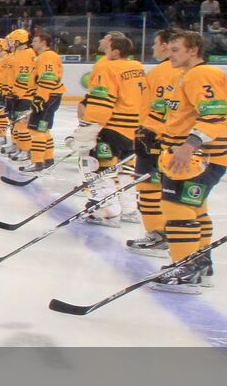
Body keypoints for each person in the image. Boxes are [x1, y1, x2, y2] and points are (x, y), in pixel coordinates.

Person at [148, 30, 227, 292]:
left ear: (193, 50)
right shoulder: (186, 75)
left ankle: (186, 267)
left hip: (200, 156)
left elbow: (215, 115)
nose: (169, 54)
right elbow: (181, 117)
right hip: (195, 155)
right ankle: (200, 264)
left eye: (175, 50)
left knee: (176, 206)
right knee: (195, 208)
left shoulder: (201, 74)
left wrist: (189, 145)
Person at [69, 31, 145, 227]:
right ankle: (129, 209)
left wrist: (87, 128)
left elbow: (101, 103)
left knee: (99, 168)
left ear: (116, 51)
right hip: (134, 129)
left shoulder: (108, 68)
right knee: (127, 170)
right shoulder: (137, 67)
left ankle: (107, 213)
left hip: (112, 128)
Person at [127, 29, 181, 255]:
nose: (152, 47)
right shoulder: (183, 71)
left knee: (148, 187)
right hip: (172, 140)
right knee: (167, 190)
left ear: (166, 46)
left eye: (155, 43)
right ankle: (167, 235)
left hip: (156, 139)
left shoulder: (163, 72)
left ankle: (158, 234)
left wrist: (148, 133)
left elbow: (160, 108)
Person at [24, 30, 65, 172]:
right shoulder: (44, 56)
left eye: (35, 41)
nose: (32, 43)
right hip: (50, 96)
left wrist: (40, 98)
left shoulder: (47, 56)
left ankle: (37, 163)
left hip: (47, 97)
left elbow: (48, 77)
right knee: (43, 129)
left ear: (43, 42)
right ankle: (48, 159)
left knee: (36, 129)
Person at [4, 30, 36, 163]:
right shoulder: (17, 53)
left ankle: (26, 150)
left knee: (22, 124)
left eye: (13, 40)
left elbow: (24, 77)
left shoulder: (27, 54)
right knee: (14, 122)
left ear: (19, 41)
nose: (10, 43)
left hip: (24, 96)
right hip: (15, 94)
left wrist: (17, 92)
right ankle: (17, 145)